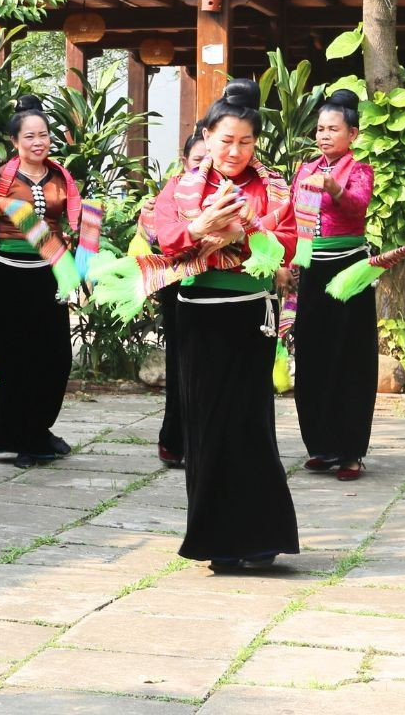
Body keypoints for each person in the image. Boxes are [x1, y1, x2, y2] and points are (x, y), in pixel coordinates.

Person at [147, 81, 300, 572]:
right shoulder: (181, 187)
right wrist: (200, 228)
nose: (235, 151)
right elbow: (165, 239)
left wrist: (245, 231)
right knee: (206, 426)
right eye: (226, 140)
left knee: (252, 425)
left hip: (250, 316)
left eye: (246, 142)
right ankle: (216, 541)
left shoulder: (272, 186)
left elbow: (288, 247)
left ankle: (260, 539)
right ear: (207, 138)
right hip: (198, 317)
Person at [0, 95, 82, 467]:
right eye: (30, 136)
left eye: (45, 135)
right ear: (15, 142)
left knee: (55, 357)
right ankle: (19, 436)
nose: (39, 142)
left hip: (49, 273)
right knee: (15, 358)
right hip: (9, 275)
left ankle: (39, 428)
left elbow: (76, 221)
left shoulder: (60, 176)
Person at [289, 90, 377, 482]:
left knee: (351, 357)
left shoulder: (360, 170)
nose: (324, 136)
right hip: (312, 265)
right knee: (311, 353)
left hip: (349, 268)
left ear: (352, 134)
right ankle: (321, 446)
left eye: (333, 129)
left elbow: (357, 206)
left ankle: (351, 451)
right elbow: (292, 216)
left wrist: (333, 188)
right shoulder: (305, 169)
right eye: (320, 129)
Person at [154, 128, 209, 468]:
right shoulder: (173, 189)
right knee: (180, 365)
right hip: (178, 284)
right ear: (185, 160)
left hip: (217, 285)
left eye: (210, 159)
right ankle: (174, 440)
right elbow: (161, 235)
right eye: (197, 159)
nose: (204, 165)